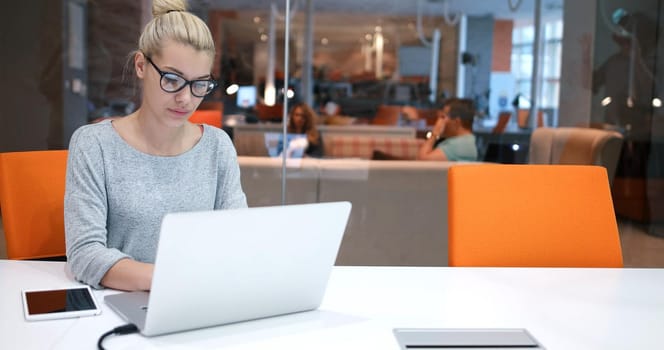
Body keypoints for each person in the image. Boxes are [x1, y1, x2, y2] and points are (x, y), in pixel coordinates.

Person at [64, 0, 247, 292]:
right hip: (118, 304)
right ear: (141, 65)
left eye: (199, 84)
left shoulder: (217, 147)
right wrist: (171, 280)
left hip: (197, 298)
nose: (186, 99)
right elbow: (85, 255)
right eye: (172, 79)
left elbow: (237, 239)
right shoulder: (94, 144)